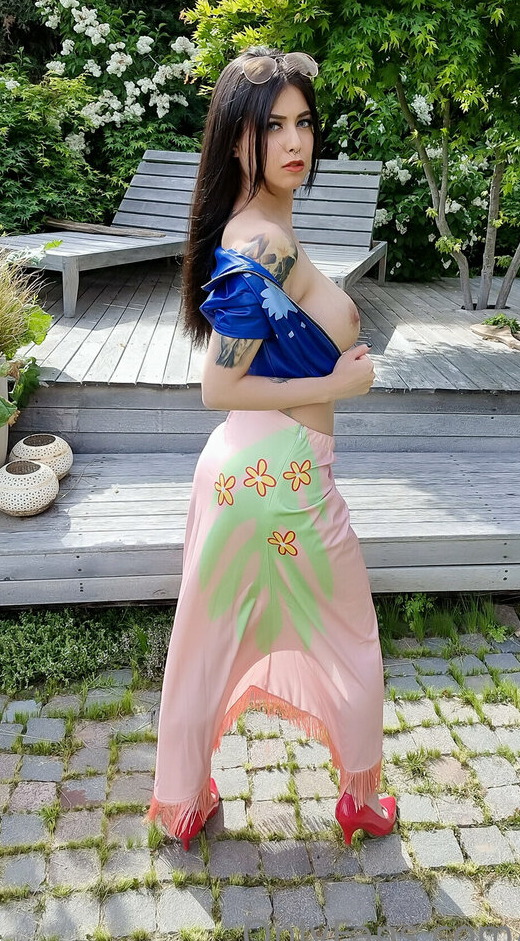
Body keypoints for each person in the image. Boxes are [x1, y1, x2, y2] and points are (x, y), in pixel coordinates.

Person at [144, 45, 397, 851]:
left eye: (304, 123)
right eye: (273, 127)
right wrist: (339, 385)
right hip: (280, 479)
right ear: (236, 141)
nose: (295, 142)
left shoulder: (265, 228)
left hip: (252, 472)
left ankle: (184, 802)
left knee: (207, 645)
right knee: (353, 643)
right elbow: (218, 385)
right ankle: (361, 802)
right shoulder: (264, 244)